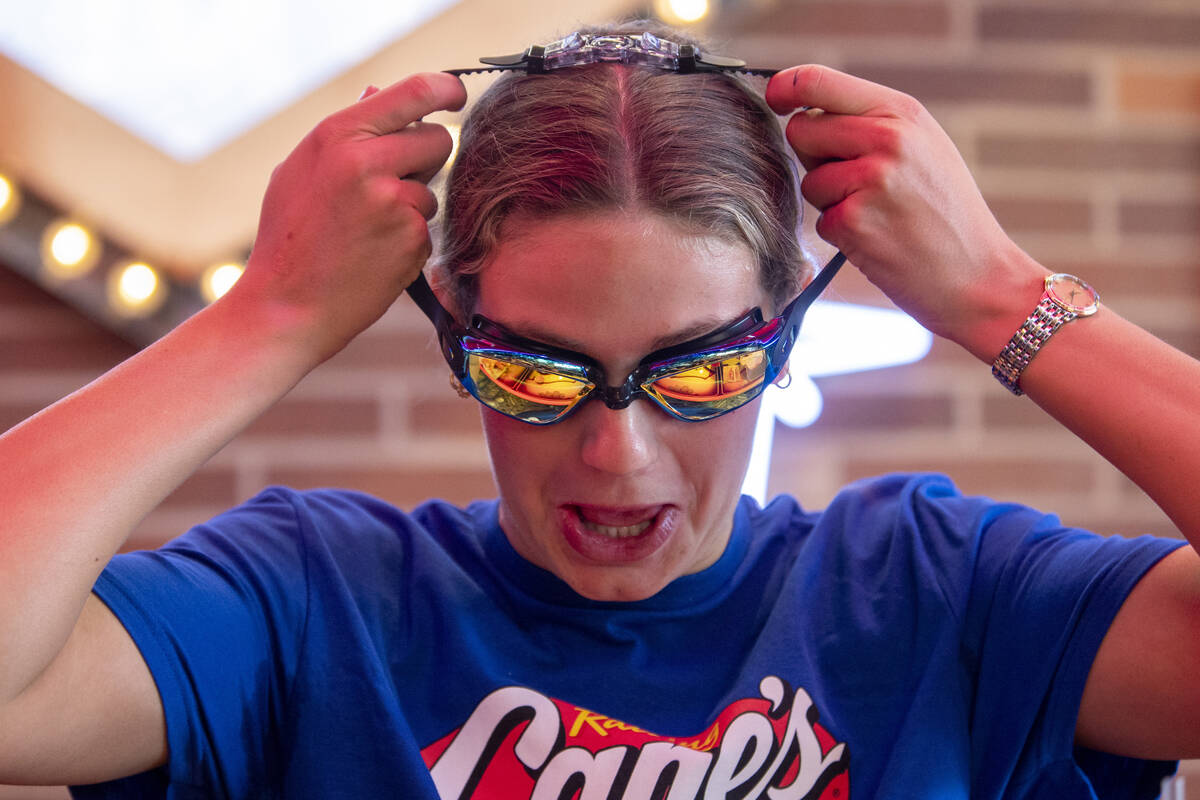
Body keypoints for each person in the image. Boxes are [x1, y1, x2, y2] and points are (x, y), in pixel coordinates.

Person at [1, 21, 1198, 799]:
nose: (618, 454)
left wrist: (1003, 297)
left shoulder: (939, 594)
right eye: (538, 372)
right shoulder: (311, 603)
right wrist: (263, 318)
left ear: (781, 340)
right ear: (456, 336)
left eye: (697, 372)